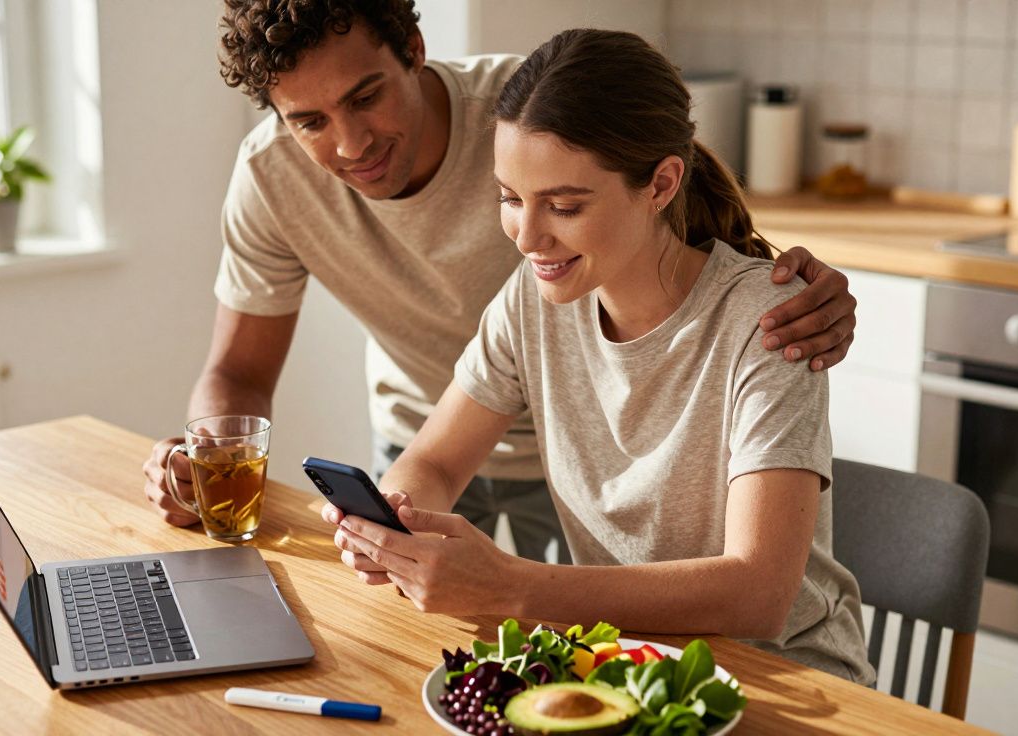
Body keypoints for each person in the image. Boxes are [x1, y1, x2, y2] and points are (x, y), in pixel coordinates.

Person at [142, 0, 861, 567]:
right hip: (432, 432)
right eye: (308, 121)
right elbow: (240, 372)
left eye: (366, 97)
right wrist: (210, 462)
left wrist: (774, 284)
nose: (350, 143)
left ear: (413, 50)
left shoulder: (525, 116)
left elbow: (663, 204)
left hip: (580, 451)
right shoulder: (272, 178)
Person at [322, 28, 874, 684]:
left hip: (789, 683)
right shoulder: (533, 302)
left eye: (563, 206)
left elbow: (759, 594)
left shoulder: (772, 321)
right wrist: (396, 520)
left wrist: (510, 586)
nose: (528, 237)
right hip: (625, 665)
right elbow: (435, 461)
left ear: (661, 184)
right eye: (510, 198)